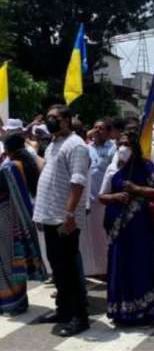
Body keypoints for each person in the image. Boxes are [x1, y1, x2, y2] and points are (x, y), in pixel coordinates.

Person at [32, 105, 90, 336]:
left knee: (69, 269)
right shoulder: (54, 144)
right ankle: (63, 310)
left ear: (67, 120)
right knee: (58, 269)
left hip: (63, 220)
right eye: (48, 118)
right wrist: (40, 213)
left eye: (55, 118)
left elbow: (77, 182)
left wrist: (68, 216)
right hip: (49, 215)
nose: (50, 121)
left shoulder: (77, 146)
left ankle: (79, 317)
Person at [97, 130, 154, 326]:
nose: (123, 147)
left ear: (135, 147)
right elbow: (102, 196)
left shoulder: (146, 166)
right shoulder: (113, 169)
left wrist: (138, 189)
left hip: (142, 230)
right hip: (118, 231)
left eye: (127, 143)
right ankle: (121, 313)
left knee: (142, 267)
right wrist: (115, 197)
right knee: (120, 267)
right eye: (120, 143)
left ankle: (145, 312)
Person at [0, 133, 46, 315]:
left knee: (6, 262)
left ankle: (11, 302)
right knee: (13, 261)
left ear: (8, 149)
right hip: (18, 218)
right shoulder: (27, 163)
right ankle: (19, 300)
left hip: (7, 219)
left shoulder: (10, 167)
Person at [81, 119, 114, 277]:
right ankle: (95, 269)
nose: (97, 131)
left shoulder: (113, 149)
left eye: (101, 128)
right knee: (92, 239)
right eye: (95, 127)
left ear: (108, 132)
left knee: (105, 237)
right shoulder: (87, 148)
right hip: (90, 202)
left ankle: (107, 270)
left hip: (106, 201)